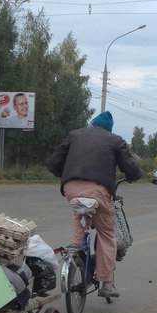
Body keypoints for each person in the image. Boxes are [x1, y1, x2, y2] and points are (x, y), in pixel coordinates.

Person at [45, 111, 142, 298]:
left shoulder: (75, 135)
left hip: (71, 188)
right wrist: (132, 176)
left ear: (93, 124)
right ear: (109, 129)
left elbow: (53, 162)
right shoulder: (115, 140)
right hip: (99, 192)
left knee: (79, 213)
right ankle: (106, 283)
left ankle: (77, 247)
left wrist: (66, 176)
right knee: (106, 234)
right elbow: (131, 168)